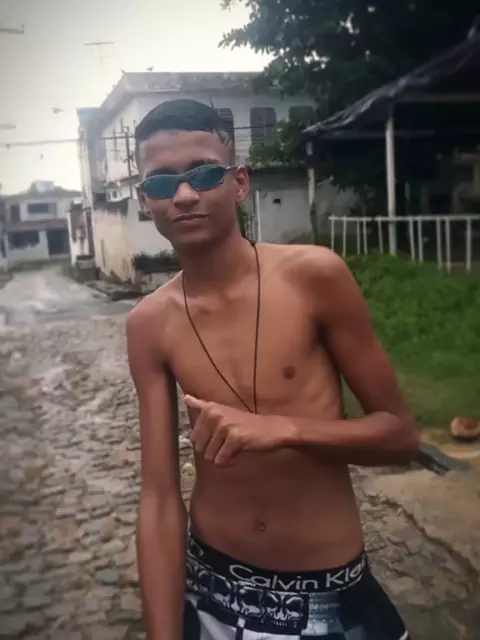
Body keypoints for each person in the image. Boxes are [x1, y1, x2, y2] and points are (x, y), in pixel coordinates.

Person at [127, 99, 419, 640]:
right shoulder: (149, 324)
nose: (184, 195)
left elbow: (399, 435)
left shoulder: (313, 277)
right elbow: (159, 497)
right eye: (163, 182)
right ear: (145, 200)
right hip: (213, 595)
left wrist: (284, 430)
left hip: (330, 598)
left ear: (239, 182)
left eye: (203, 173)